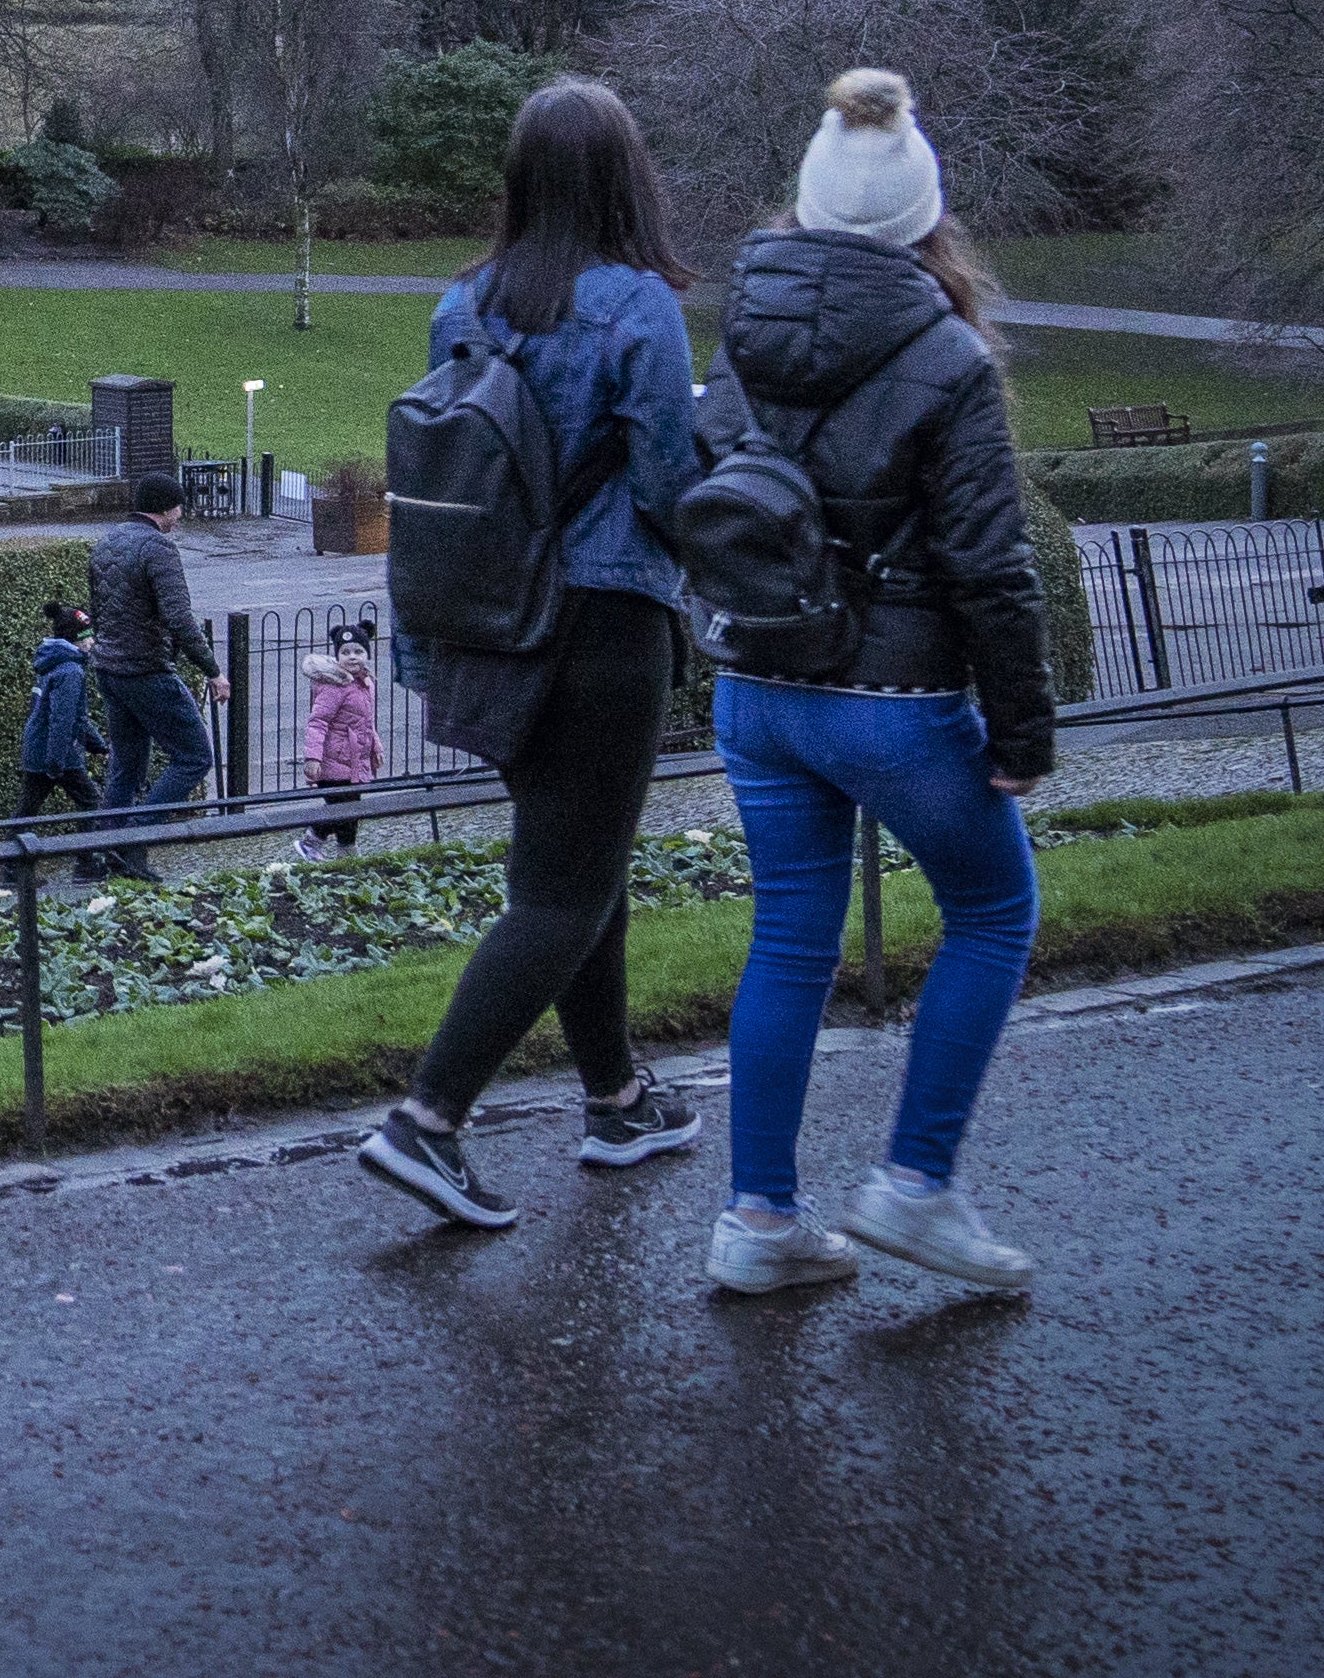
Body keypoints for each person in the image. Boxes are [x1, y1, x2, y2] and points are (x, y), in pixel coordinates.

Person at [703, 69, 1060, 1302]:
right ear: (925, 217)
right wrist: (1021, 728)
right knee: (994, 910)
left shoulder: (744, 318)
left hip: (756, 680)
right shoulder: (948, 352)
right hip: (893, 701)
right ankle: (915, 1185)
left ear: (804, 203)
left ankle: (759, 1219)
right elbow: (990, 564)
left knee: (788, 938)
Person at [357, 76, 708, 1233]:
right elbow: (663, 485)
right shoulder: (641, 305)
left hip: (492, 622)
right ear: (625, 176)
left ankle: (615, 1097)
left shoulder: (460, 302)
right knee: (561, 887)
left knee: (576, 866)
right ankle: (430, 1120)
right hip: (605, 622)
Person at [81, 471, 215, 879]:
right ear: (166, 508)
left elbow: (97, 611)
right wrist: (212, 670)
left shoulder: (107, 542)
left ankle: (106, 854)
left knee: (126, 766)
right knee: (194, 757)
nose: (180, 516)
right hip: (146, 671)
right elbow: (179, 618)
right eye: (179, 508)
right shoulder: (158, 548)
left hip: (109, 669)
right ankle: (136, 841)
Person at [297, 615, 381, 856]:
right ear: (337, 656)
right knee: (343, 811)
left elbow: (365, 721)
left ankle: (347, 854)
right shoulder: (336, 686)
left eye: (358, 651)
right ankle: (312, 841)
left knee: (351, 811)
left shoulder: (364, 683)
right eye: (345, 652)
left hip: (354, 762)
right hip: (333, 761)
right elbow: (318, 722)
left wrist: (376, 746)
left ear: (366, 654)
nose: (352, 657)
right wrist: (313, 758)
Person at [20, 604, 107, 830]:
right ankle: (89, 859)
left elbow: (72, 715)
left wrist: (98, 746)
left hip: (38, 748)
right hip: (58, 753)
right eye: (87, 637)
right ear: (74, 639)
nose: (92, 642)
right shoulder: (70, 671)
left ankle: (13, 863)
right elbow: (63, 719)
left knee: (27, 811)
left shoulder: (53, 662)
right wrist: (56, 761)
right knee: (91, 802)